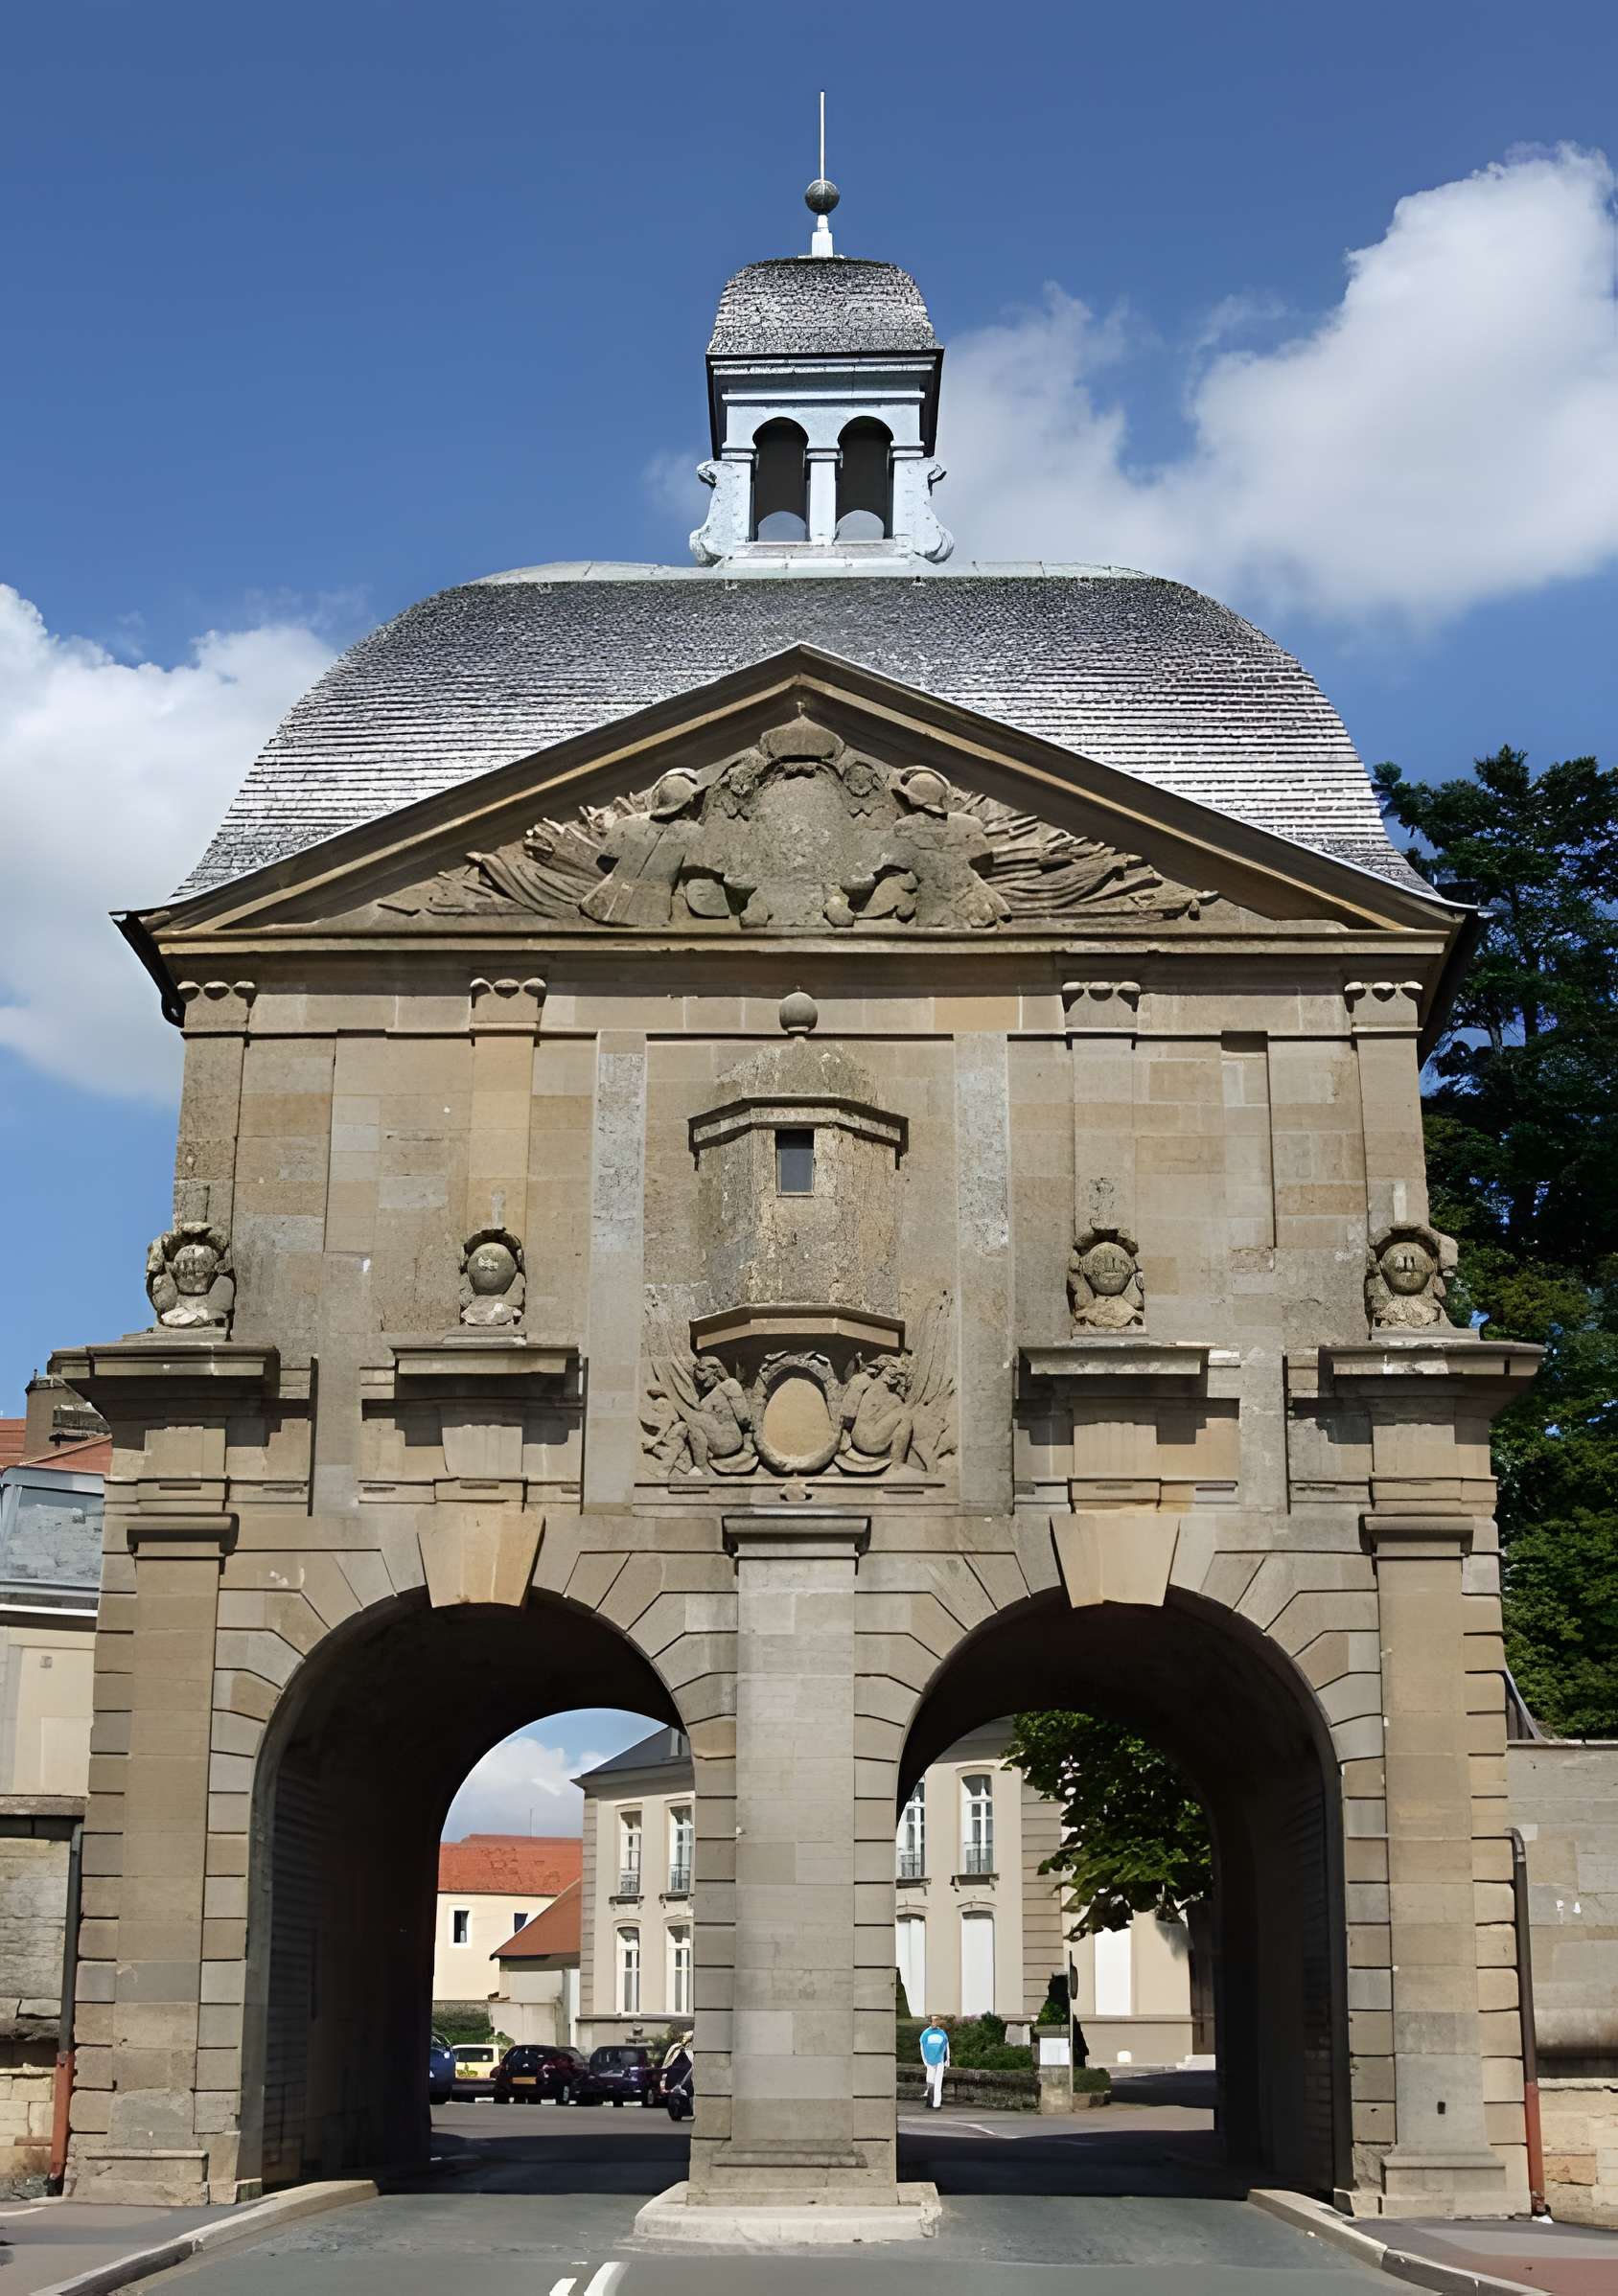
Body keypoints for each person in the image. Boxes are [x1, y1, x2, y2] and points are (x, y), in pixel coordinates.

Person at [918, 2015, 950, 2109]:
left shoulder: (942, 2033)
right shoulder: (925, 2034)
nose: (935, 2022)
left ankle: (936, 2103)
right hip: (930, 2061)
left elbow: (946, 2047)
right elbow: (922, 2048)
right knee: (930, 2081)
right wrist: (925, 2061)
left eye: (936, 2020)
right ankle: (930, 2100)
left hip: (939, 2061)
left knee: (938, 2082)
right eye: (933, 2021)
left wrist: (947, 2061)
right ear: (930, 2022)